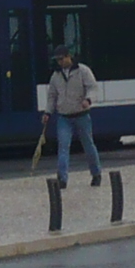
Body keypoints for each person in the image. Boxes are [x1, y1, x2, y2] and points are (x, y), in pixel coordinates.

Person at [43, 46, 102, 186]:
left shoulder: (83, 71)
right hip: (64, 117)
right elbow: (52, 96)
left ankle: (96, 173)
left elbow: (93, 87)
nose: (59, 62)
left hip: (82, 115)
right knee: (63, 146)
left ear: (69, 56)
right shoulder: (56, 76)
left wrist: (88, 100)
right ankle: (62, 179)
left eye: (61, 59)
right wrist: (47, 112)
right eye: (57, 60)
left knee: (88, 145)